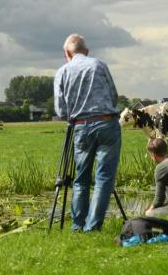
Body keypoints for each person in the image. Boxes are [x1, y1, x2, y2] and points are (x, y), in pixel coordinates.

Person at [54, 33, 122, 232]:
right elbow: (114, 95)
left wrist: (74, 117)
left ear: (67, 52)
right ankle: (92, 226)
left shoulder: (63, 71)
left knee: (80, 178)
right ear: (87, 51)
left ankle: (77, 225)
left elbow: (60, 109)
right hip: (107, 123)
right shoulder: (99, 65)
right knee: (104, 178)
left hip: (81, 126)